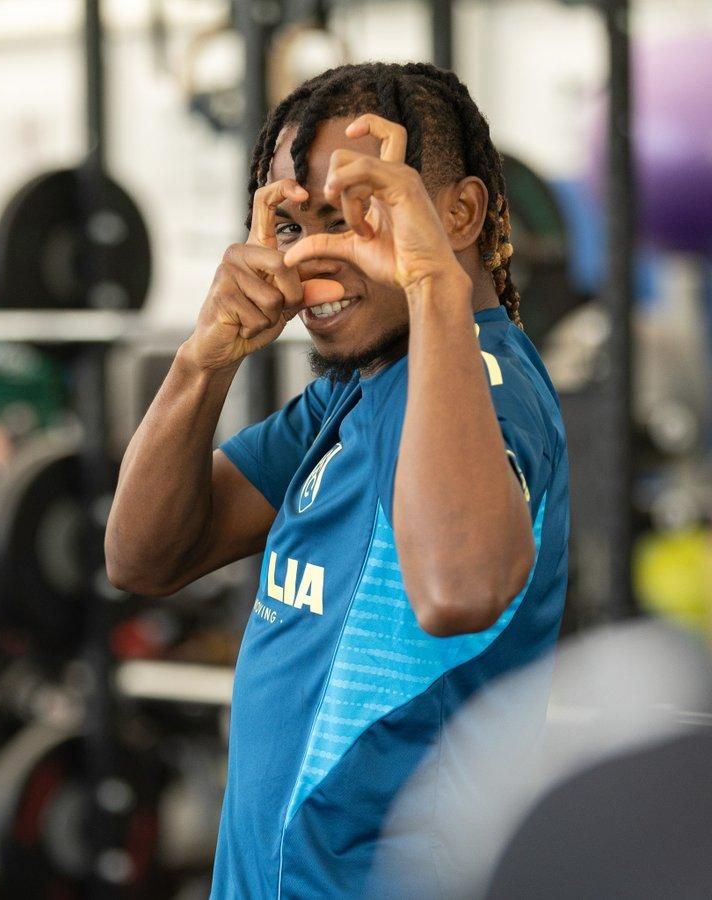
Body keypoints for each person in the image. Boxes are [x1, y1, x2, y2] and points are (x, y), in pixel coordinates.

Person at [105, 61, 569, 899]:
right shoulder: (354, 392)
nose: (316, 259)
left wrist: (431, 283)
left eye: (362, 218)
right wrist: (203, 360)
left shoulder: (486, 391)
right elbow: (143, 556)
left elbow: (459, 590)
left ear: (459, 215)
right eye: (296, 226)